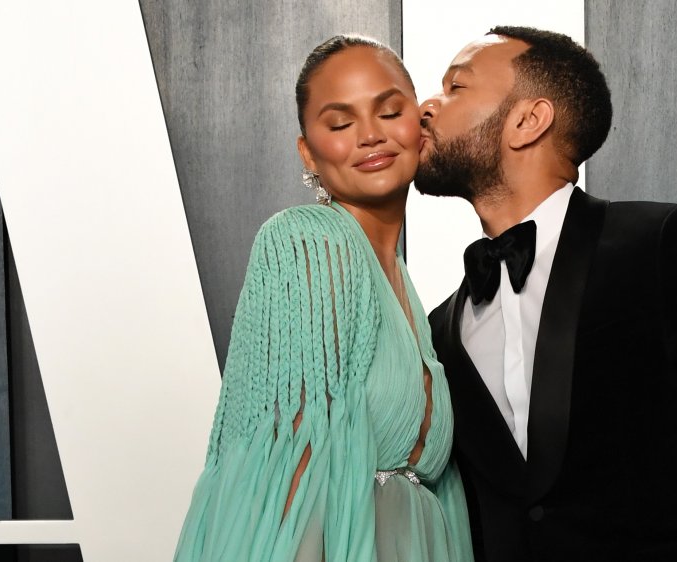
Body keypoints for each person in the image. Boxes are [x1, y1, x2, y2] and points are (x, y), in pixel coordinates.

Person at [418, 26, 677, 561]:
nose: (427, 105)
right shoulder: (442, 326)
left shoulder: (667, 245)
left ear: (528, 120)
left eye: (455, 87)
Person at [175, 35, 473, 562]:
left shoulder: (406, 287)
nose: (370, 136)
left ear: (418, 126)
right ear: (308, 151)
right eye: (340, 123)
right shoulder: (309, 240)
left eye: (389, 111)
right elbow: (291, 462)